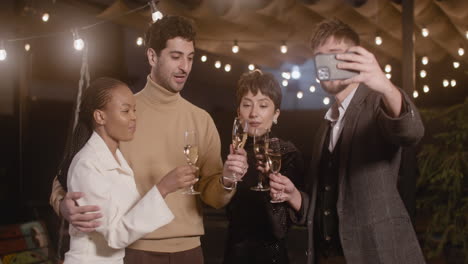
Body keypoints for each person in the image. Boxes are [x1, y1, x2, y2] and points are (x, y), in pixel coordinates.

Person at [49, 15, 248, 264]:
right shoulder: (120, 114)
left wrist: (228, 179)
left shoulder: (201, 119)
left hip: (190, 251)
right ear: (152, 57)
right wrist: (62, 205)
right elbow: (70, 170)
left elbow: (213, 196)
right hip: (133, 249)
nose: (185, 66)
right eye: (176, 57)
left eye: (190, 57)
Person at [271, 19, 426, 263]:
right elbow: (325, 204)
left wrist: (384, 84)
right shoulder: (324, 126)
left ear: (354, 58)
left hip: (378, 254)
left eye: (333, 55)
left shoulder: (377, 102)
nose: (325, 64)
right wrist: (293, 196)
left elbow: (411, 131)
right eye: (319, 57)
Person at [59, 77, 176, 264]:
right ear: (100, 116)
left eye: (134, 110)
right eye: (125, 111)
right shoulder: (87, 165)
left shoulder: (117, 159)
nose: (133, 117)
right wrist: (163, 188)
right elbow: (115, 235)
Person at [223, 70, 304, 264]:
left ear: (276, 114)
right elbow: (227, 211)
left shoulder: (287, 154)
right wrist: (227, 178)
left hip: (273, 257)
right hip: (234, 256)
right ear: (238, 113)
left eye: (263, 105)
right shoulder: (233, 154)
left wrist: (270, 181)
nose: (254, 113)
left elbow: (281, 227)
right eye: (247, 105)